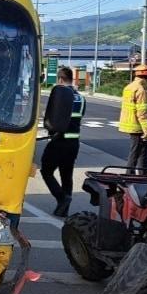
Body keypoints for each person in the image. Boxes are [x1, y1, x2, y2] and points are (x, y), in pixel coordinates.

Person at [41, 66, 86, 217]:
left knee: (46, 171)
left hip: (59, 140)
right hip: (74, 143)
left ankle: (61, 197)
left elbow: (53, 119)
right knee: (67, 176)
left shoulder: (60, 95)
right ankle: (64, 210)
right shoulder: (81, 98)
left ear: (60, 79)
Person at [119, 64, 147, 175]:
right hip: (137, 125)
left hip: (129, 123)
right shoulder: (140, 90)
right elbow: (142, 112)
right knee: (137, 153)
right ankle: (131, 176)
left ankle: (141, 176)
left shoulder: (129, 87)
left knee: (142, 152)